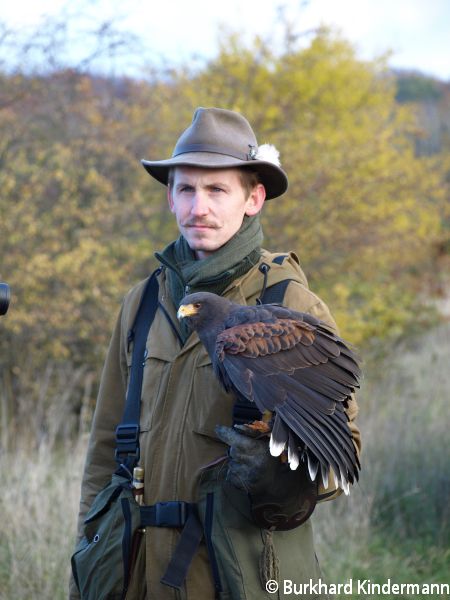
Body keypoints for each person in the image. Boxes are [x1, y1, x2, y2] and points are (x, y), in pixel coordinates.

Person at [70, 107, 360, 600]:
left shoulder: (289, 303)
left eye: (217, 190)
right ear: (170, 197)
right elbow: (104, 454)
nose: (198, 207)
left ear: (254, 199)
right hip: (137, 576)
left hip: (241, 577)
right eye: (186, 189)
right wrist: (86, 570)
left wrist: (278, 473)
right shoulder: (142, 304)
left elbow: (341, 452)